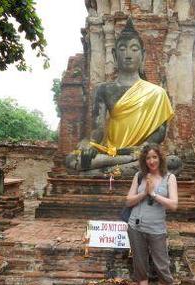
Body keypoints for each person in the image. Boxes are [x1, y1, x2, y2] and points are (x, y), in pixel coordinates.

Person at [67, 18, 174, 172]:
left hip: (141, 153)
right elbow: (98, 130)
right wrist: (90, 145)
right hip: (111, 152)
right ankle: (127, 163)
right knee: (72, 159)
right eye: (122, 49)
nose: (128, 54)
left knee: (174, 162)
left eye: (134, 49)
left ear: (143, 54)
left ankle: (118, 166)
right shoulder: (103, 89)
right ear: (114, 54)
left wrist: (141, 150)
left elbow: (160, 133)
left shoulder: (157, 93)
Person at [125, 143, 194, 285]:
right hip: (135, 227)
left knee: (162, 266)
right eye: (148, 158)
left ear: (160, 158)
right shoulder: (139, 176)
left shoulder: (169, 178)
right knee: (140, 263)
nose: (151, 161)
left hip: (156, 229)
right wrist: (143, 194)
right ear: (144, 160)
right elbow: (128, 200)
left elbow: (173, 204)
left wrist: (153, 194)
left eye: (154, 157)